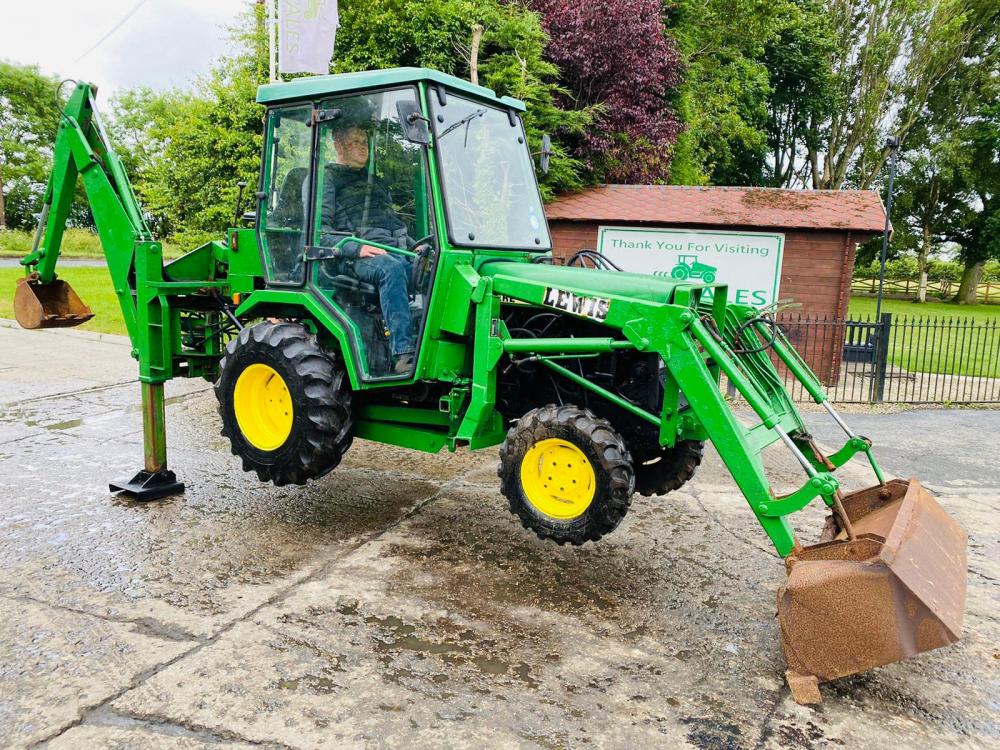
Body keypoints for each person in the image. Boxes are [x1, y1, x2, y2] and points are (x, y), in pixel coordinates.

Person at [318, 124, 416, 374]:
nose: (363, 148)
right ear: (338, 145)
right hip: (348, 256)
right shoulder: (326, 179)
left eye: (364, 142)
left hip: (391, 250)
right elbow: (320, 233)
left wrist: (417, 247)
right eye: (355, 142)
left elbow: (391, 224)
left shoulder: (376, 183)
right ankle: (403, 354)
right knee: (391, 270)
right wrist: (356, 248)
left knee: (435, 269)